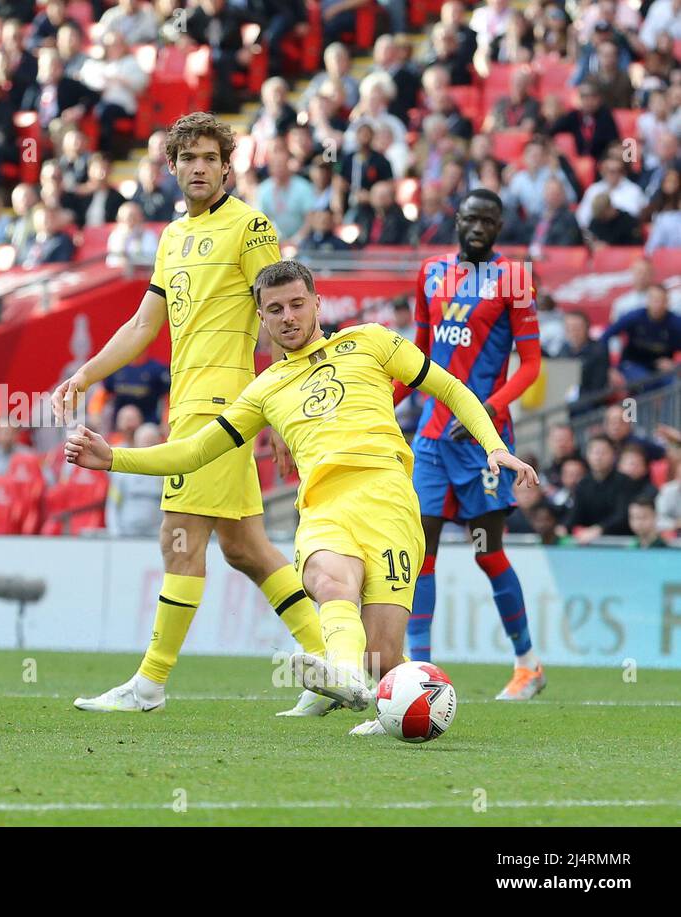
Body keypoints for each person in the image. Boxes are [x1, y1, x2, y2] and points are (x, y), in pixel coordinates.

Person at [65, 259, 538, 735]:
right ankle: (347, 678)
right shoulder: (264, 389)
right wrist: (114, 459)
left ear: (317, 303)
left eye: (296, 304)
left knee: (384, 656)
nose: (288, 317)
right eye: (275, 310)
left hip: (390, 502)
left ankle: (378, 688)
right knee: (329, 579)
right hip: (324, 508)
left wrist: (494, 447)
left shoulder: (370, 341)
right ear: (261, 318)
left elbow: (450, 387)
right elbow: (195, 450)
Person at [52, 113, 326, 717]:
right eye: (188, 158)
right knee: (247, 549)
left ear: (227, 164)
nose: (198, 167)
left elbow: (281, 313)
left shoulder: (252, 227)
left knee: (178, 544)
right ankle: (330, 662)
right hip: (193, 406)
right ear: (172, 167)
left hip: (221, 409)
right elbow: (144, 325)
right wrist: (86, 374)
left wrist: (282, 411)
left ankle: (149, 683)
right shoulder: (172, 237)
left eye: (209, 157)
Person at [393, 189, 546, 701]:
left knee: (487, 551)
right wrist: (383, 397)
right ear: (455, 221)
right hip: (433, 437)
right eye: (470, 218)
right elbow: (416, 353)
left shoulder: (515, 279)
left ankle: (527, 664)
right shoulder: (430, 272)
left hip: (485, 442)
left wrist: (491, 411)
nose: (478, 227)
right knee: (422, 550)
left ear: (500, 225)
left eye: (488, 220)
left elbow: (531, 366)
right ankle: (419, 673)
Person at [600, 285, 681, 385]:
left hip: (660, 368)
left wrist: (676, 365)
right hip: (632, 363)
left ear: (667, 303)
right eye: (654, 300)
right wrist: (609, 368)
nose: (657, 305)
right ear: (647, 301)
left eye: (661, 300)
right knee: (645, 382)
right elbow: (605, 336)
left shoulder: (675, 323)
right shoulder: (634, 317)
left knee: (674, 384)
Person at [563, 435, 632, 540]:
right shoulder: (583, 484)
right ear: (587, 456)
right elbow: (575, 515)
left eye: (603, 453)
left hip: (619, 541)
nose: (598, 457)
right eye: (594, 452)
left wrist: (600, 529)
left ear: (613, 455)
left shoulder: (624, 481)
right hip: (589, 543)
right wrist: (563, 528)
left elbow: (622, 515)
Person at [106, 422, 165, 537]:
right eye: (145, 442)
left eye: (152, 441)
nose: (148, 446)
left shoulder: (166, 473)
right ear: (136, 443)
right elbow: (113, 504)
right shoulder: (122, 471)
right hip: (127, 533)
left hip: (156, 534)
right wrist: (115, 532)